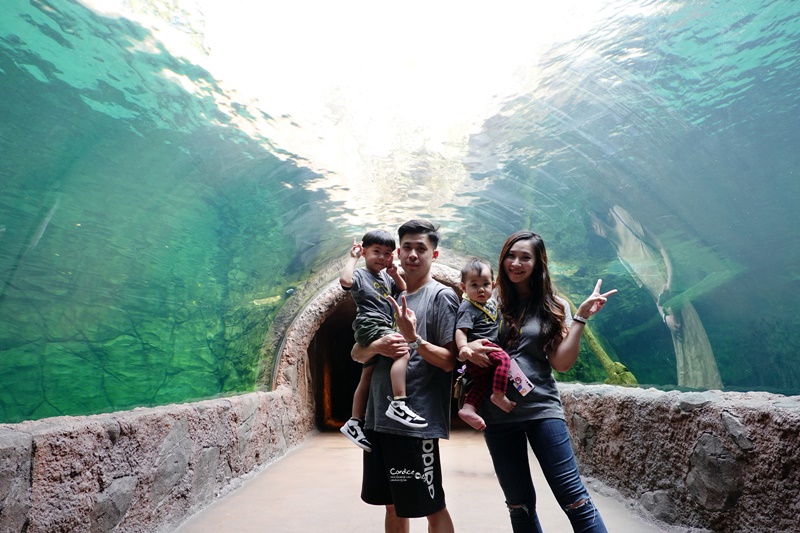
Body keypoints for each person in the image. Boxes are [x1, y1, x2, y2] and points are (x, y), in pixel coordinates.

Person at [464, 230, 616, 532]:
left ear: (538, 263)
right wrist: (467, 349)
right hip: (497, 415)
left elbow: (561, 362)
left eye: (525, 257)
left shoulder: (555, 305)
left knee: (575, 500)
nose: (516, 263)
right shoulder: (486, 301)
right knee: (518, 506)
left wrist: (581, 318)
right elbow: (462, 343)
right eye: (511, 255)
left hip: (541, 410)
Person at [351, 219, 459, 533]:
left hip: (415, 423)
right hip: (378, 419)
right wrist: (375, 346)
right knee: (393, 505)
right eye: (407, 247)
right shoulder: (383, 293)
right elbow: (357, 355)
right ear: (398, 252)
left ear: (434, 255)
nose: (413, 254)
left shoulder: (440, 297)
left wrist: (414, 339)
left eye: (421, 248)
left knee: (430, 505)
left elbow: (450, 361)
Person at [590, 205, 722, 389]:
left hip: (675, 293)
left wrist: (671, 284)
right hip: (666, 305)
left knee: (695, 338)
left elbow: (662, 247)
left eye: (593, 221)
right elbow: (653, 294)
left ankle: (711, 388)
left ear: (598, 216)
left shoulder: (620, 215)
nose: (595, 228)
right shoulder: (619, 253)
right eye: (591, 227)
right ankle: (694, 391)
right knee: (683, 344)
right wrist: (664, 317)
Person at [339, 230, 427, 453]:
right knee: (402, 350)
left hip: (383, 325)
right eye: (376, 252)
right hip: (371, 325)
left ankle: (354, 422)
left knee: (367, 374)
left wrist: (394, 273)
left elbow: (404, 290)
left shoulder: (385, 277)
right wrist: (353, 257)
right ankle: (399, 403)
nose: (381, 257)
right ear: (365, 251)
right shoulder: (360, 274)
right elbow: (345, 281)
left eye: (387, 253)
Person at [454, 257, 515, 431]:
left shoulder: (491, 304)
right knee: (504, 359)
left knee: (482, 384)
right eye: (474, 285)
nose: (481, 289)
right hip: (484, 347)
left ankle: (468, 409)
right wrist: (463, 347)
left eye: (485, 284)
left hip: (485, 355)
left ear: (493, 285)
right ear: (463, 288)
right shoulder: (468, 307)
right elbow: (461, 330)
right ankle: (498, 395)